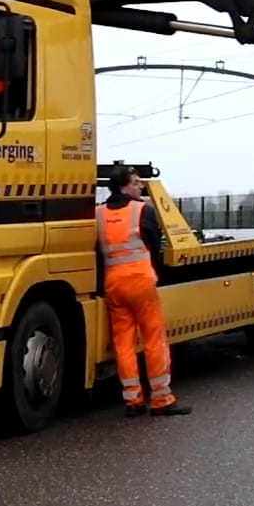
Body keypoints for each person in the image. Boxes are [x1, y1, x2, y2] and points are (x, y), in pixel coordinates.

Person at [96, 166, 190, 416]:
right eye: (136, 182)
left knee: (123, 343)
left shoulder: (99, 214)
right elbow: (154, 245)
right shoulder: (142, 210)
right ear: (124, 186)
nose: (140, 186)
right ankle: (161, 399)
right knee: (153, 339)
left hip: (113, 284)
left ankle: (132, 400)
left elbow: (97, 251)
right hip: (140, 282)